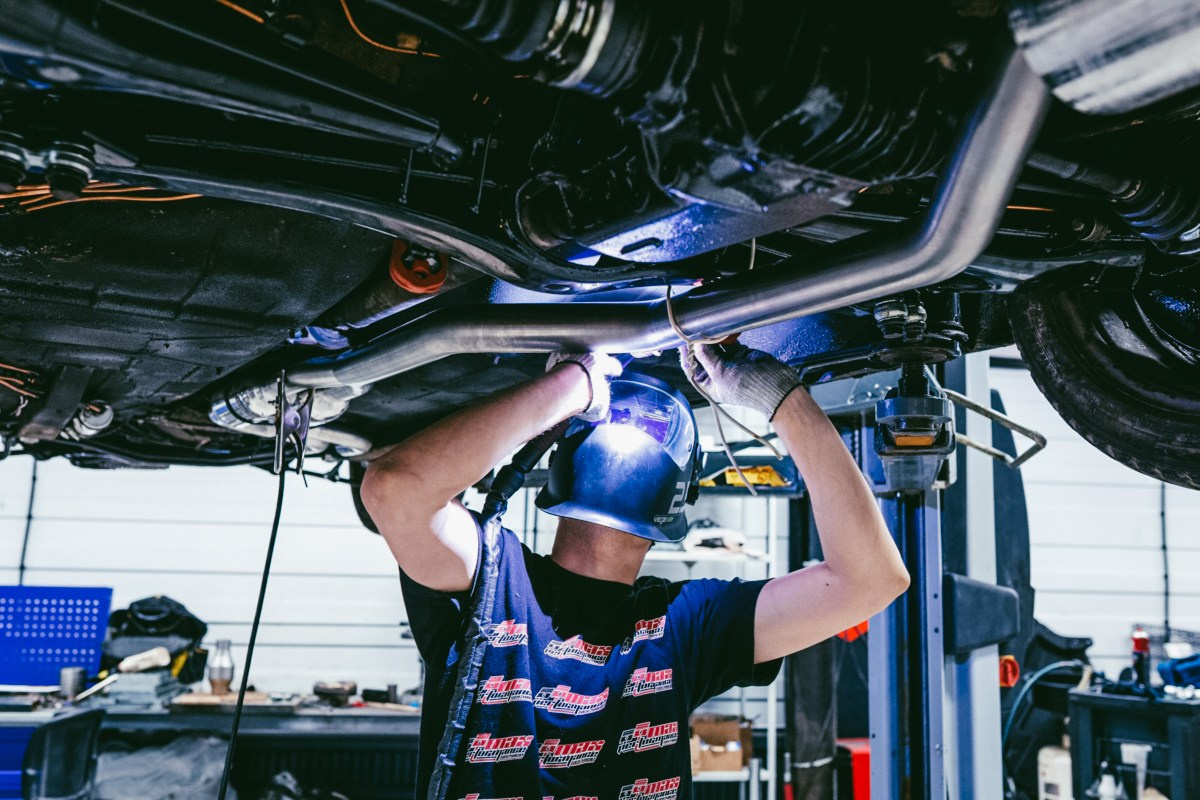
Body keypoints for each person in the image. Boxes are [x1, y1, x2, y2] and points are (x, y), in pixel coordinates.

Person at [361, 343, 910, 800]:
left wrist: (571, 386)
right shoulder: (681, 625)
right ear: (681, 496)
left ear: (558, 458)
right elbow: (871, 579)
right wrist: (782, 399)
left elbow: (396, 487)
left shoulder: (494, 579)